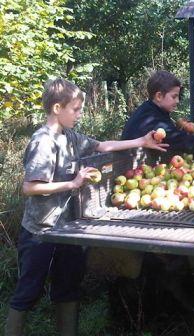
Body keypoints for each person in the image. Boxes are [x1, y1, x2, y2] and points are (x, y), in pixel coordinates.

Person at [4, 78, 168, 336]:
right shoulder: (43, 142)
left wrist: (141, 142)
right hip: (40, 231)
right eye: (76, 109)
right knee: (28, 291)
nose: (79, 114)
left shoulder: (69, 137)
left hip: (67, 230)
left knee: (68, 288)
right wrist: (73, 183)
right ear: (57, 108)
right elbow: (30, 188)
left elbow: (103, 146)